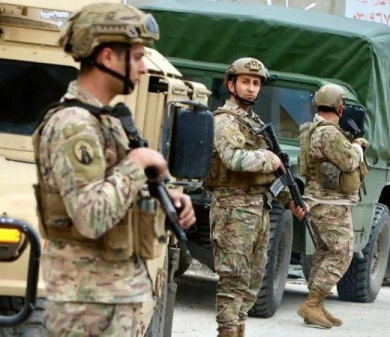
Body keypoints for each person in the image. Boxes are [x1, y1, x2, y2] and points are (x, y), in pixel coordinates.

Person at [33, 3, 196, 336]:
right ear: (107, 58)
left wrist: (169, 202)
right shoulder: (73, 126)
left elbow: (117, 198)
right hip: (86, 305)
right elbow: (90, 216)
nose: (141, 67)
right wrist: (136, 165)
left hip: (111, 296)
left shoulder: (106, 121)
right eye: (136, 57)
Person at [203, 57, 306, 337]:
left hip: (257, 209)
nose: (251, 88)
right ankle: (227, 332)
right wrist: (268, 157)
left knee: (252, 281)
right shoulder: (224, 121)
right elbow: (233, 159)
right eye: (246, 82)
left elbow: (270, 177)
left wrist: (289, 200)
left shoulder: (255, 123)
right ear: (231, 84)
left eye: (256, 83)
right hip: (232, 208)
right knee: (233, 279)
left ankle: (238, 330)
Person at [296, 83, 368, 328]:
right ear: (339, 106)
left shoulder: (311, 129)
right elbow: (348, 162)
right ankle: (313, 303)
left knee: (325, 251)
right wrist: (358, 146)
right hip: (330, 203)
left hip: (319, 202)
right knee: (342, 253)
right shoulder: (329, 132)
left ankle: (315, 304)